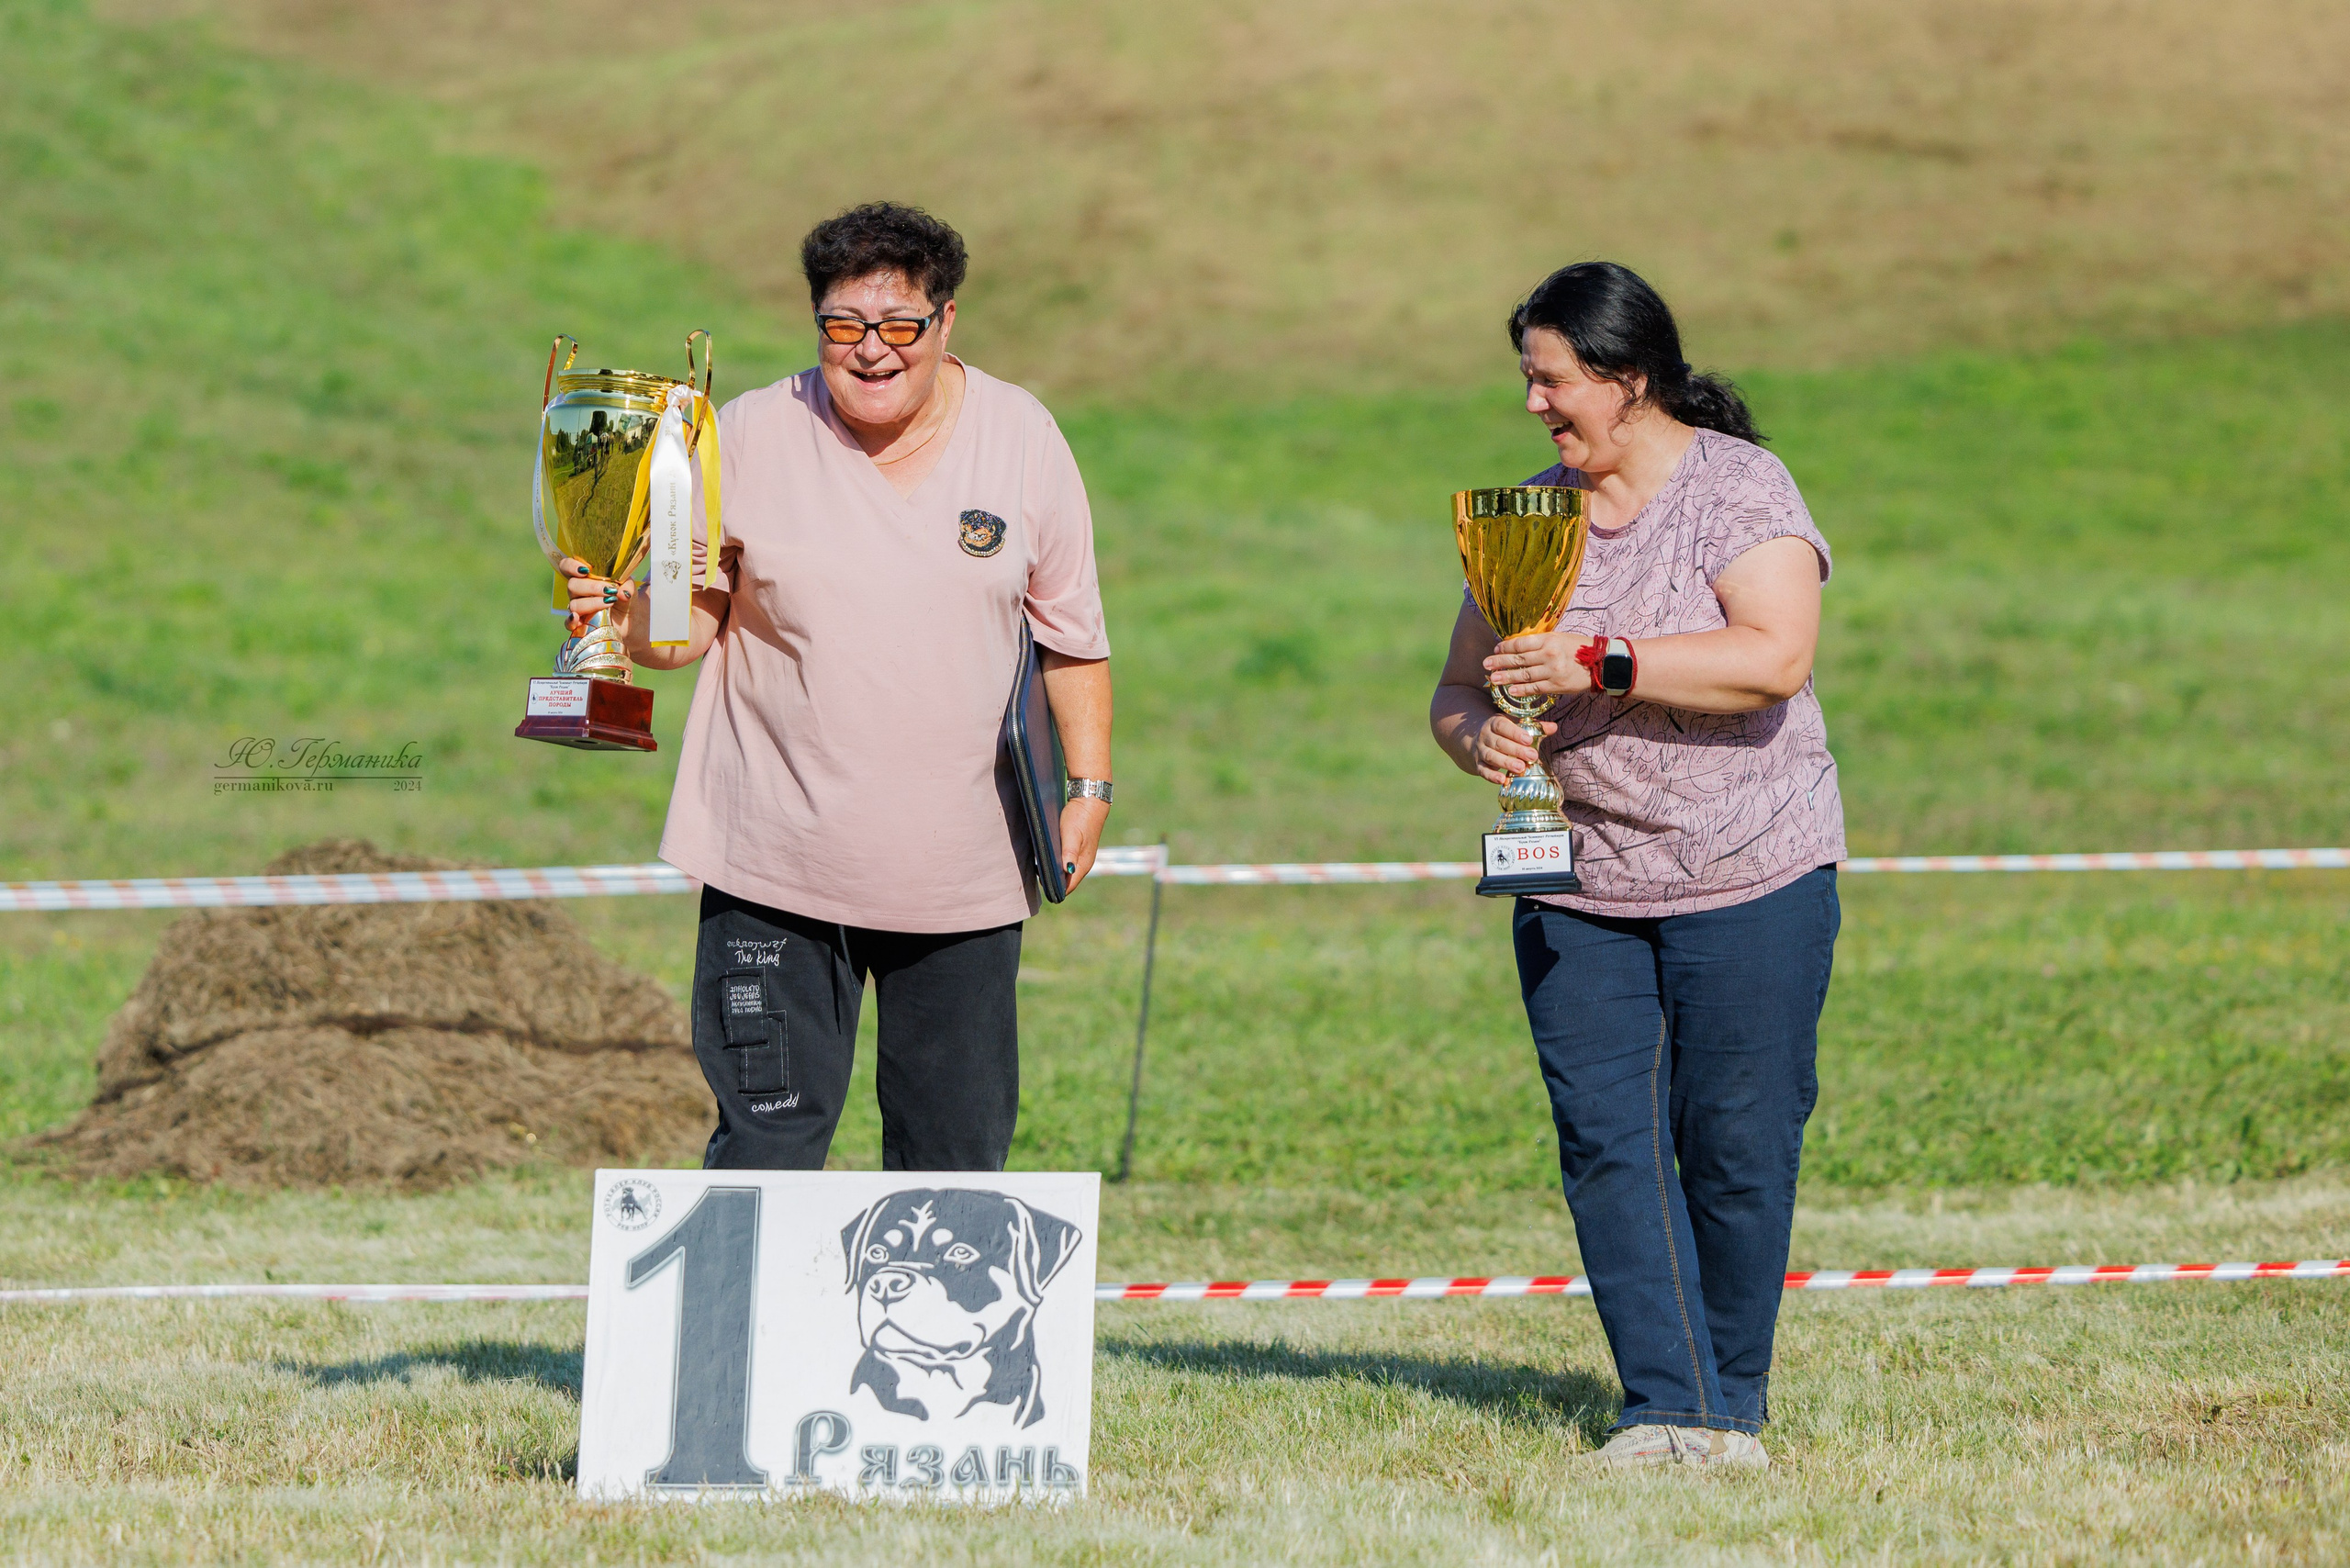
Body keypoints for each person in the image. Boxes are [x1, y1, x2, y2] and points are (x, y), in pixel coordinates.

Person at [559, 202, 1113, 1171]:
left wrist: (1089, 789)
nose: (871, 352)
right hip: (774, 863)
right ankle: (746, 1332)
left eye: (899, 326)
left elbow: (1074, 638)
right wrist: (612, 611)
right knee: (765, 1145)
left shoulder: (1023, 436)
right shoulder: (742, 433)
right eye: (843, 326)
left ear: (947, 323)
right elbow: (683, 627)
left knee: (953, 1154)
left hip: (962, 871)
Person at [1428, 262, 1844, 1470]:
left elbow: (1773, 658)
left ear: (1630, 377)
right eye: (1527, 379)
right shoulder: (1523, 517)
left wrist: (1598, 662)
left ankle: (1731, 1410)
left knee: (1735, 1136)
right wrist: (1483, 738)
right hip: (1574, 884)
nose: (1533, 405)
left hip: (1751, 874)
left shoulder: (1739, 490)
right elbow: (1459, 688)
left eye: (1550, 380)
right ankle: (1666, 1408)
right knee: (1606, 1138)